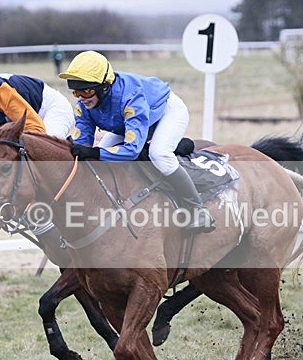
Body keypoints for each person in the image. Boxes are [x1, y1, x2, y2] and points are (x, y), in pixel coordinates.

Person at [59, 50, 215, 233]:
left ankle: (198, 209)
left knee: (159, 154)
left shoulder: (131, 97)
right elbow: (83, 145)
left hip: (166, 112)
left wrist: (94, 152)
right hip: (126, 124)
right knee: (99, 155)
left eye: (86, 91)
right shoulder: (83, 105)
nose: (81, 98)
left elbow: (132, 149)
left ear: (104, 87)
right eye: (76, 92)